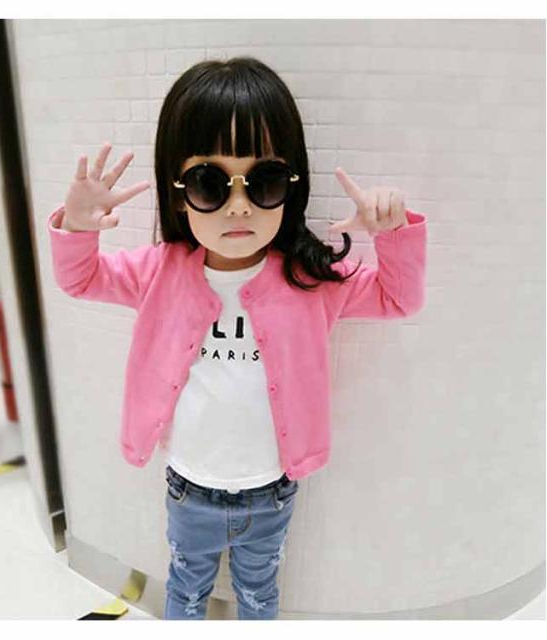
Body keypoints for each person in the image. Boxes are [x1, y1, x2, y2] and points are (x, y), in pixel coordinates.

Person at [47, 57, 427, 620]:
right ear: (179, 193)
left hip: (271, 492)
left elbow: (400, 298)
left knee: (259, 595)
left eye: (265, 181)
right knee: (185, 591)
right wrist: (78, 226)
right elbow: (79, 279)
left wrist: (393, 233)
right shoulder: (158, 272)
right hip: (188, 488)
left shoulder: (313, 278)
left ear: (291, 186)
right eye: (210, 184)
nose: (240, 205)